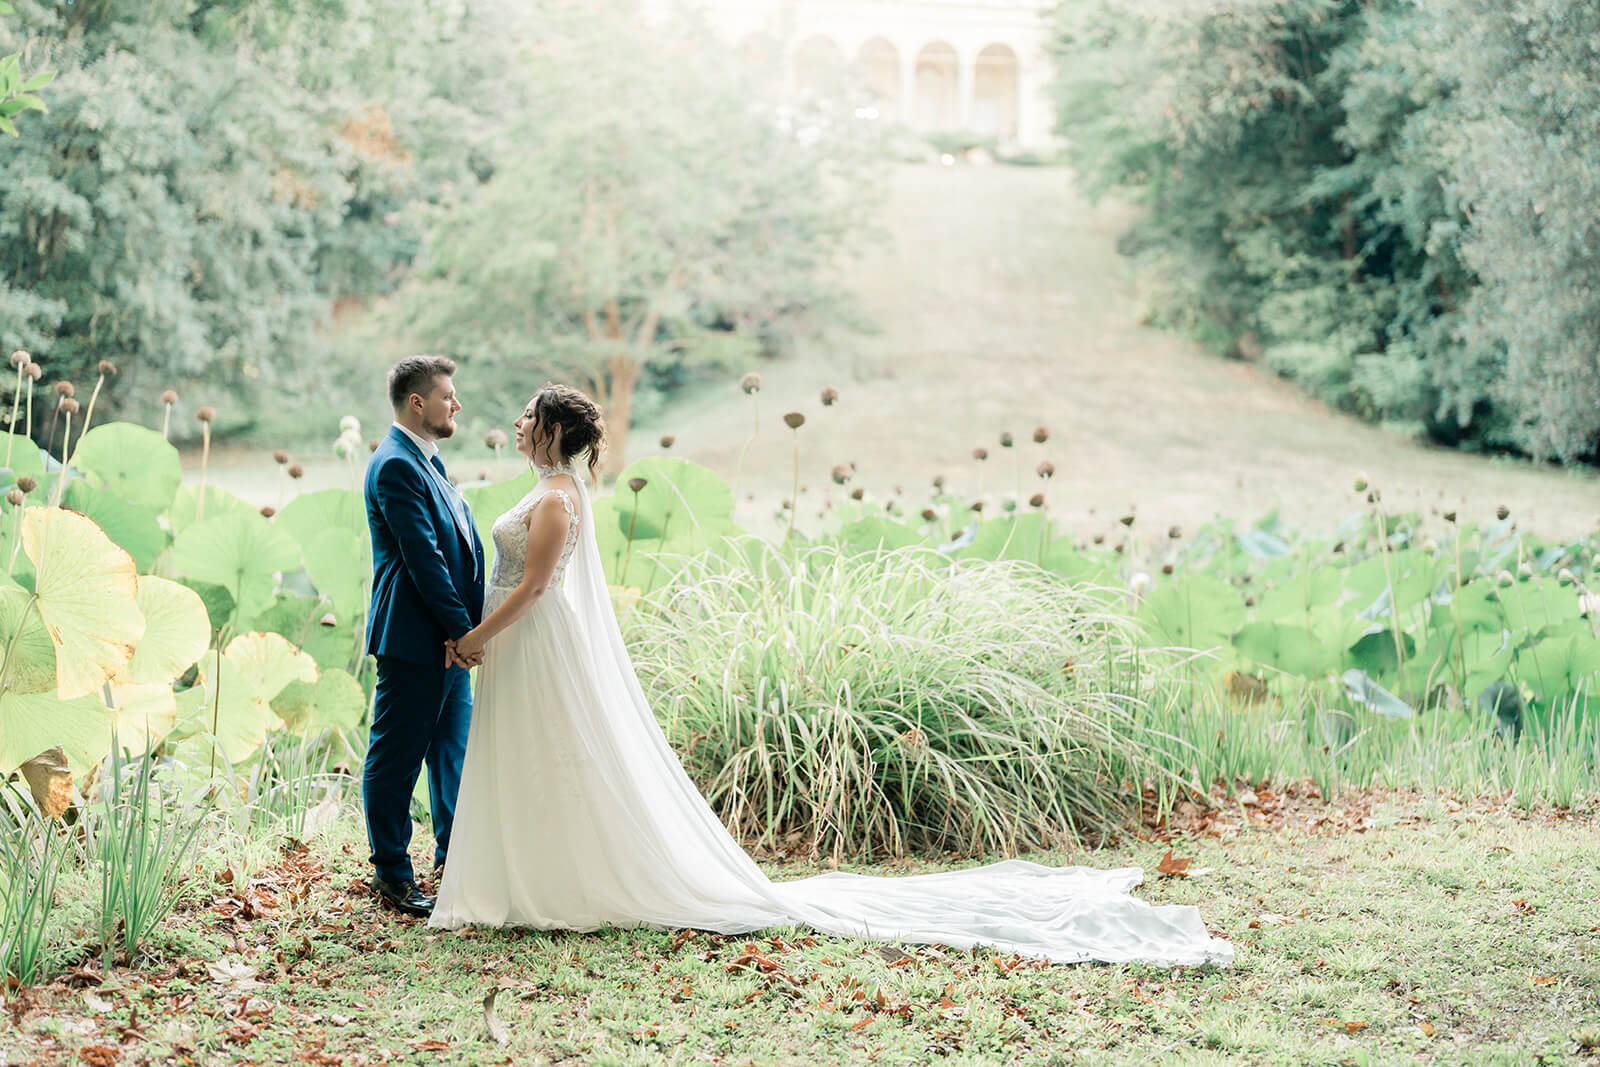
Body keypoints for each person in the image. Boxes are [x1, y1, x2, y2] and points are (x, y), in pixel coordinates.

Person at [430, 384, 1232, 966]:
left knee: (555, 752)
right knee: (530, 757)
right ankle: (531, 873)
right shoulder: (547, 487)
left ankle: (560, 881)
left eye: (527, 417)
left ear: (552, 430)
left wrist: (472, 636)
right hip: (520, 638)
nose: (515, 424)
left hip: (533, 635)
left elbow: (537, 585)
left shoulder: (562, 498)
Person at [362, 356, 486, 917]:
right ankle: (391, 873)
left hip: (447, 642)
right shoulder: (395, 465)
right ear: (419, 403)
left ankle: (454, 863)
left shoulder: (427, 462)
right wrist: (464, 631)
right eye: (448, 396)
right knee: (396, 758)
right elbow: (423, 561)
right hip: (415, 639)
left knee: (451, 755)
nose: (456, 405)